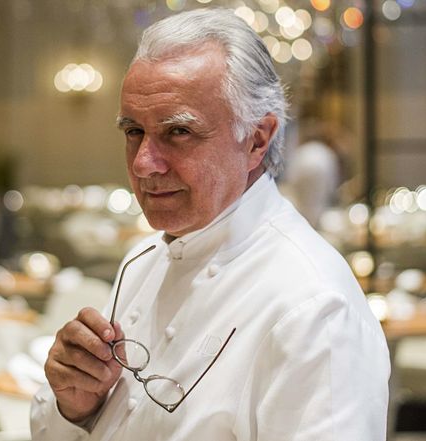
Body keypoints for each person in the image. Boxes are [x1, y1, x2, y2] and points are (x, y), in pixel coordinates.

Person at [31, 8, 390, 441]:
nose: (144, 163)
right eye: (133, 131)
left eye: (178, 132)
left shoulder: (313, 307)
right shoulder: (143, 259)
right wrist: (78, 406)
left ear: (257, 139)